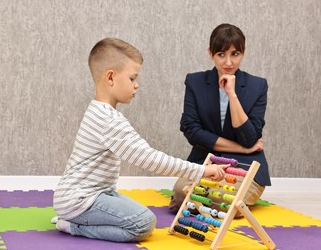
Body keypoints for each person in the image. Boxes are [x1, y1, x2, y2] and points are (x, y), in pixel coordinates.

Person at [52, 38, 229, 242]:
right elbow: (149, 159)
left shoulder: (98, 110)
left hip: (87, 194)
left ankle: (75, 218)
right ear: (110, 77)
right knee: (143, 223)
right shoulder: (108, 120)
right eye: (132, 78)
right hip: (79, 200)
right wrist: (200, 171)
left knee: (132, 211)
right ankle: (73, 226)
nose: (136, 86)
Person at [168, 23, 271, 215]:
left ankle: (212, 201)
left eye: (235, 54)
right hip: (206, 162)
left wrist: (232, 94)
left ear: (243, 52)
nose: (228, 63)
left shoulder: (258, 86)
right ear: (210, 53)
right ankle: (204, 201)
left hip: (244, 165)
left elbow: (249, 137)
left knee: (229, 204)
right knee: (181, 195)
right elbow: (191, 130)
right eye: (221, 54)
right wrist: (242, 148)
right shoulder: (195, 81)